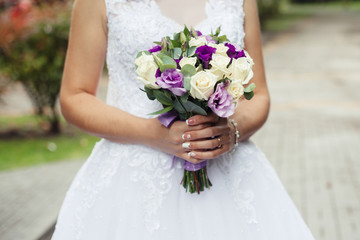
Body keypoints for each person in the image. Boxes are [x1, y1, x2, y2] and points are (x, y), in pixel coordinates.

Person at [51, 0, 316, 239]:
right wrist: (154, 133)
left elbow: (258, 95)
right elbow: (74, 96)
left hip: (229, 171)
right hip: (132, 184)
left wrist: (232, 130)